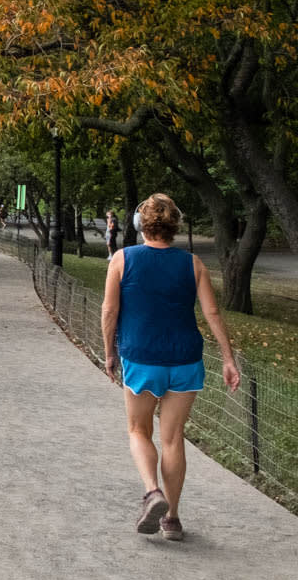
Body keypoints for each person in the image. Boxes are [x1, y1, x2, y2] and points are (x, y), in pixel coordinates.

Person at [101, 194, 240, 542]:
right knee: (173, 438)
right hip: (185, 361)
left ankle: (153, 493)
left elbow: (108, 312)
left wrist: (109, 354)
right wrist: (228, 358)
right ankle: (173, 520)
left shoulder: (122, 259)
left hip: (141, 357)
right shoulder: (193, 264)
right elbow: (212, 314)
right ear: (175, 225)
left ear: (140, 224)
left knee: (138, 431)